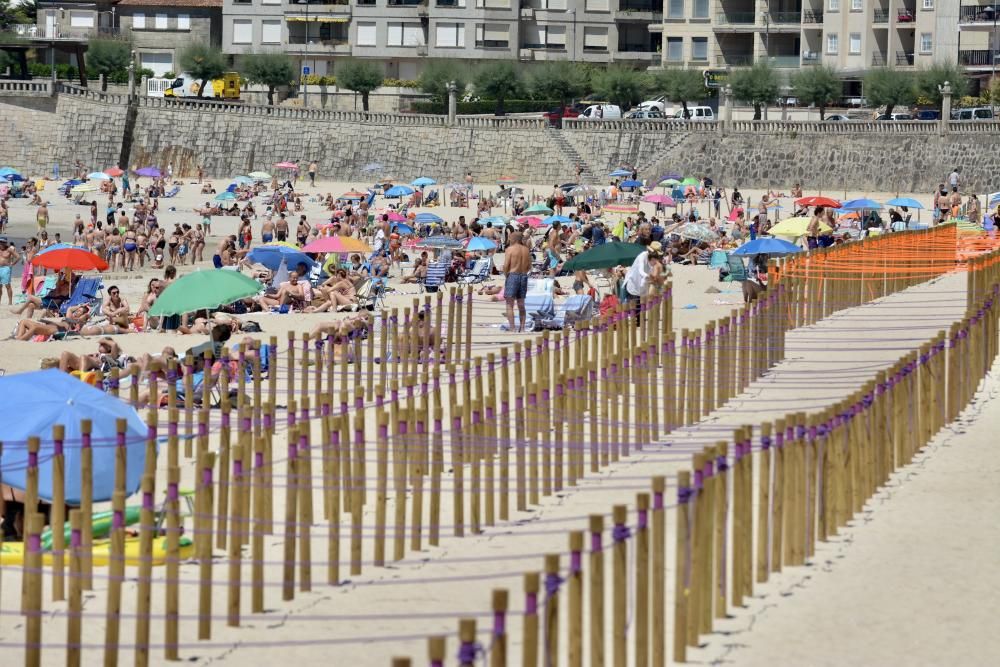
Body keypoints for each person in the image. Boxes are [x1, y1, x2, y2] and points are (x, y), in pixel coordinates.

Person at [623, 241, 661, 326]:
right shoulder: (642, 256)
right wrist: (647, 276)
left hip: (642, 285)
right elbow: (640, 270)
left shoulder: (653, 260)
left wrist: (651, 279)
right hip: (634, 281)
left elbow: (651, 270)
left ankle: (639, 323)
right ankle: (634, 322)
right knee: (634, 304)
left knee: (641, 304)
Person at [502, 231, 531, 332]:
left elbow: (506, 265)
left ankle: (513, 328)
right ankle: (522, 328)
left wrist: (507, 275)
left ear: (513, 239)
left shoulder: (510, 249)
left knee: (509, 304)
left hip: (512, 275)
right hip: (523, 276)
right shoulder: (526, 250)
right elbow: (529, 267)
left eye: (510, 238)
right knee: (521, 304)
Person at [0, 237, 17, 305]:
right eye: (0, 242)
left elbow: (18, 256)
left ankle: (10, 302)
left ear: (5, 243)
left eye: (2, 242)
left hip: (6, 269)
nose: (1, 243)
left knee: (7, 285)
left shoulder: (9, 250)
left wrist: (12, 264)